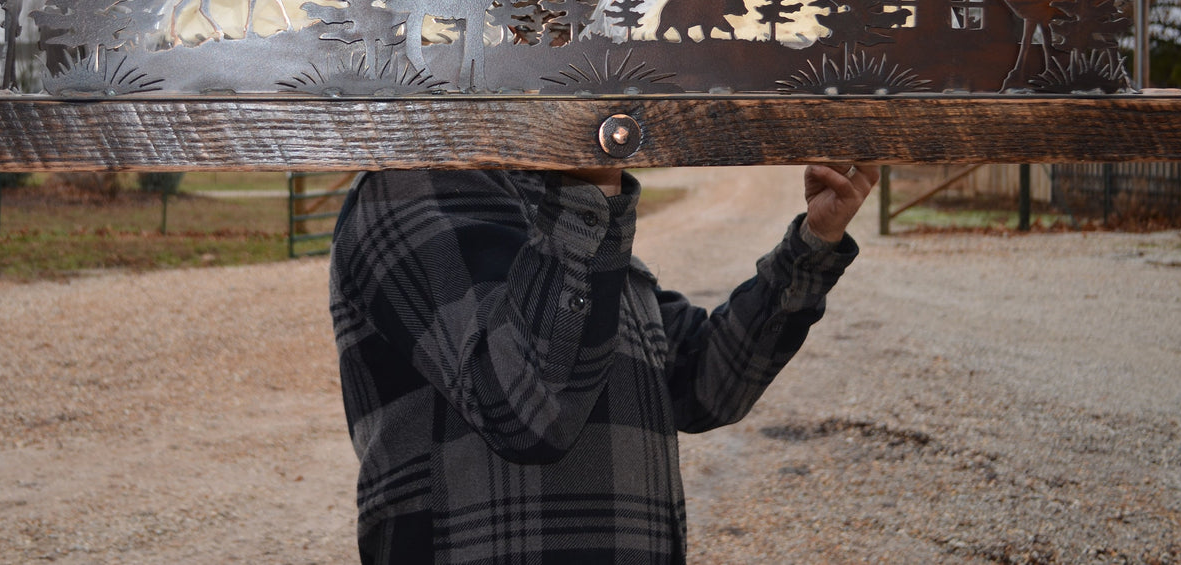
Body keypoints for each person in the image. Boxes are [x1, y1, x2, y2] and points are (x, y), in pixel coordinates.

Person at [329, 163, 879, 564]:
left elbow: (709, 384)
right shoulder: (405, 190)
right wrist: (590, 188)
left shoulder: (562, 203)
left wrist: (816, 238)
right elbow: (529, 414)